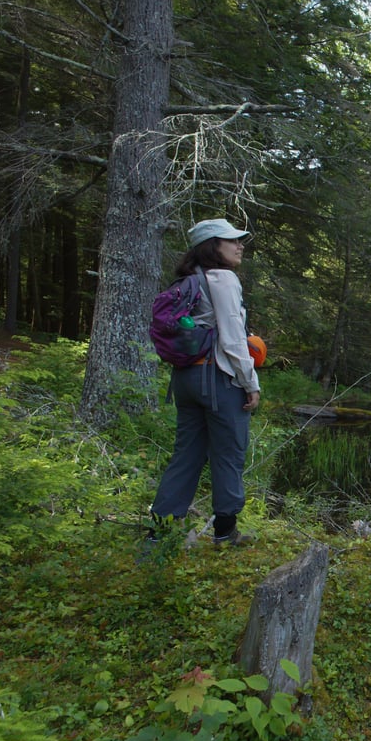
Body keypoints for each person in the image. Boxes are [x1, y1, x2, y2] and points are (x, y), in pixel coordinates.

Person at [149, 218, 261, 547]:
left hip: (185, 379)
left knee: (186, 454)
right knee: (228, 453)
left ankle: (160, 531)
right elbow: (232, 339)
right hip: (218, 380)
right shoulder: (223, 279)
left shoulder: (191, 279)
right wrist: (250, 382)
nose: (240, 245)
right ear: (212, 245)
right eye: (231, 241)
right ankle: (225, 532)